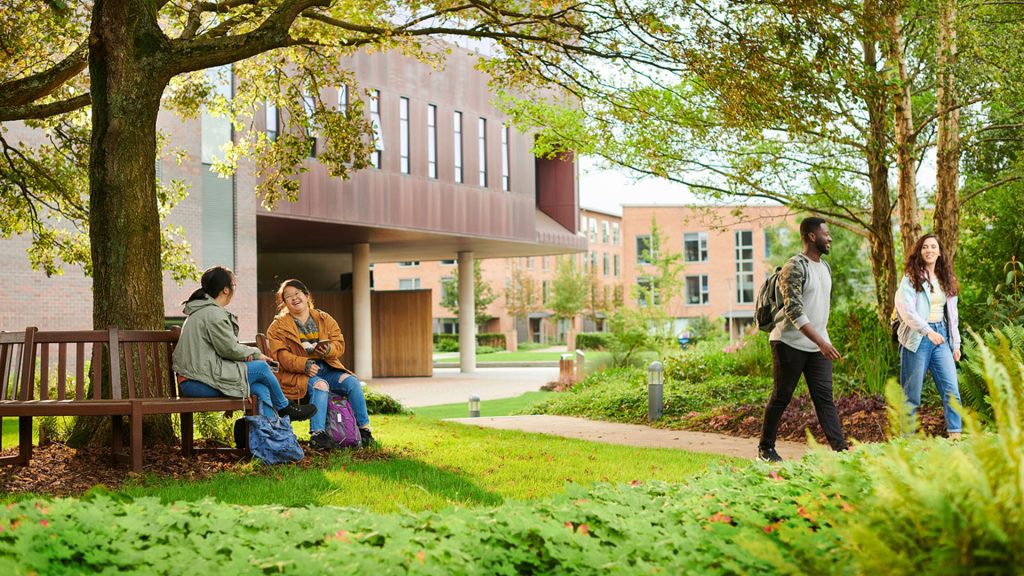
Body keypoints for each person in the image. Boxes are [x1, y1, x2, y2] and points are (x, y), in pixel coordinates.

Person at [172, 266, 316, 422]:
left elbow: (220, 350)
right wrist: (256, 354)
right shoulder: (213, 314)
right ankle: (285, 408)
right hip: (197, 382)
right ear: (226, 290)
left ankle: (271, 434)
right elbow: (229, 349)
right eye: (234, 285)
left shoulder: (202, 311)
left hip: (199, 378)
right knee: (261, 368)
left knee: (259, 388)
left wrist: (248, 356)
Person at [758, 217, 848, 462]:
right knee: (782, 396)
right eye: (825, 234)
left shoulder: (824, 267)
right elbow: (794, 311)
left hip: (818, 344)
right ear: (811, 236)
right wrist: (822, 342)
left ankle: (841, 451)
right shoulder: (794, 267)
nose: (829, 238)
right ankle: (765, 449)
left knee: (824, 399)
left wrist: (821, 341)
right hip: (789, 343)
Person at [265, 279, 375, 450]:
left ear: (306, 295)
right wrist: (304, 365)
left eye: (297, 293)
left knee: (352, 382)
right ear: (284, 302)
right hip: (298, 374)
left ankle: (364, 431)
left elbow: (339, 343)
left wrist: (329, 350)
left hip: (327, 368)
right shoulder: (277, 326)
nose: (294, 298)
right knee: (320, 385)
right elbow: (280, 356)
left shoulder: (324, 319)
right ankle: (318, 435)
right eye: (288, 296)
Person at [894, 234, 963, 439]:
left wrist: (956, 344)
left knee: (951, 389)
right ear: (920, 251)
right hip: (917, 338)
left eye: (933, 246)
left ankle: (955, 438)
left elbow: (953, 315)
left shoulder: (946, 279)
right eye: (925, 247)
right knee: (912, 394)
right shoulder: (910, 278)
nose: (929, 250)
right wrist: (927, 331)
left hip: (941, 337)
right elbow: (906, 311)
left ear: (940, 252)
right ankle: (906, 442)